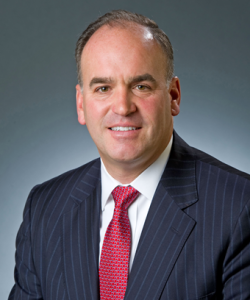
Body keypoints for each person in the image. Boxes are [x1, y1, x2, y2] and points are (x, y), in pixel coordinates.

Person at [9, 10, 250, 300]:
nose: (122, 107)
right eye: (103, 88)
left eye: (140, 86)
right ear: (81, 104)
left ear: (173, 96)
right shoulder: (44, 210)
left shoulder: (239, 207)